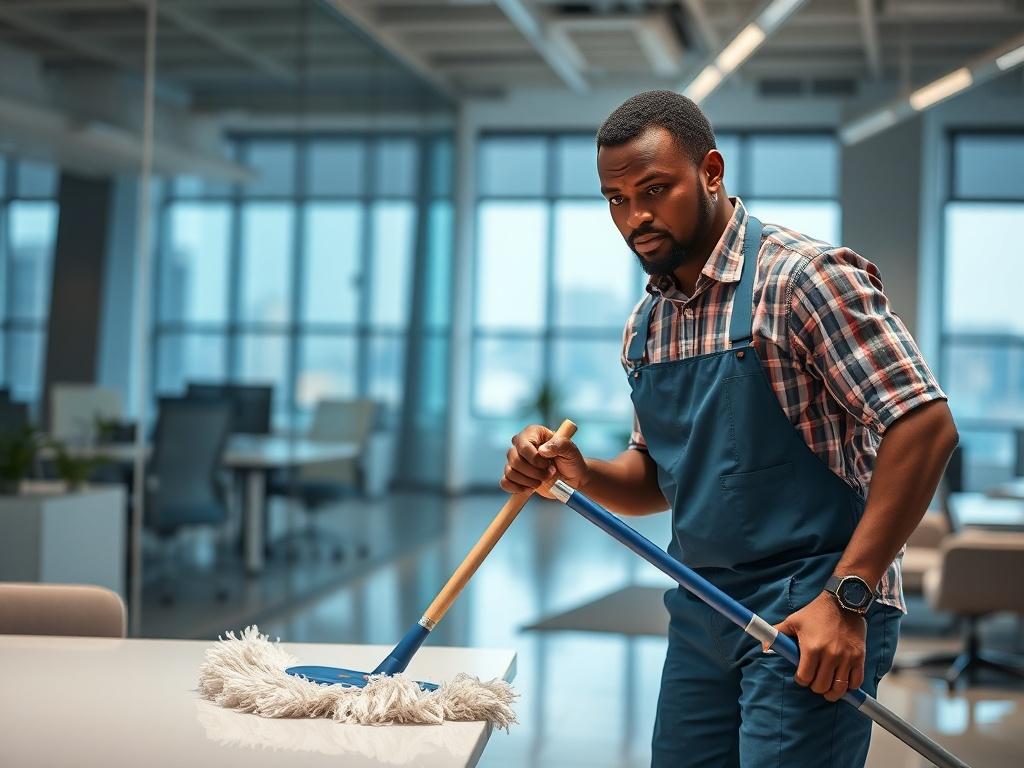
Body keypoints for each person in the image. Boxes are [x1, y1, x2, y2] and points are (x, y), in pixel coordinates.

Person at [500, 90, 958, 767]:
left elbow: (924, 425)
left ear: (710, 172)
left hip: (812, 607)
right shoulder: (647, 325)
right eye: (616, 199)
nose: (636, 217)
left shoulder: (803, 279)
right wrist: (581, 472)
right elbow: (657, 476)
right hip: (703, 609)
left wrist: (848, 596)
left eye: (655, 190)